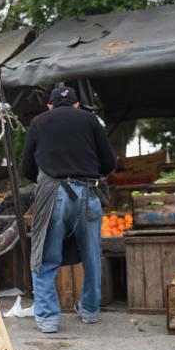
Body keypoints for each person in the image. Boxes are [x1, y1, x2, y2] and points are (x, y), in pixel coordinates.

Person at [21, 86, 116, 333]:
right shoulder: (90, 119)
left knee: (45, 257)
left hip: (54, 194)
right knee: (92, 256)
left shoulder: (39, 122)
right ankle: (90, 311)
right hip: (89, 192)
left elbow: (26, 168)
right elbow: (109, 162)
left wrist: (49, 179)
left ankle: (49, 319)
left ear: (50, 106)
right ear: (76, 105)